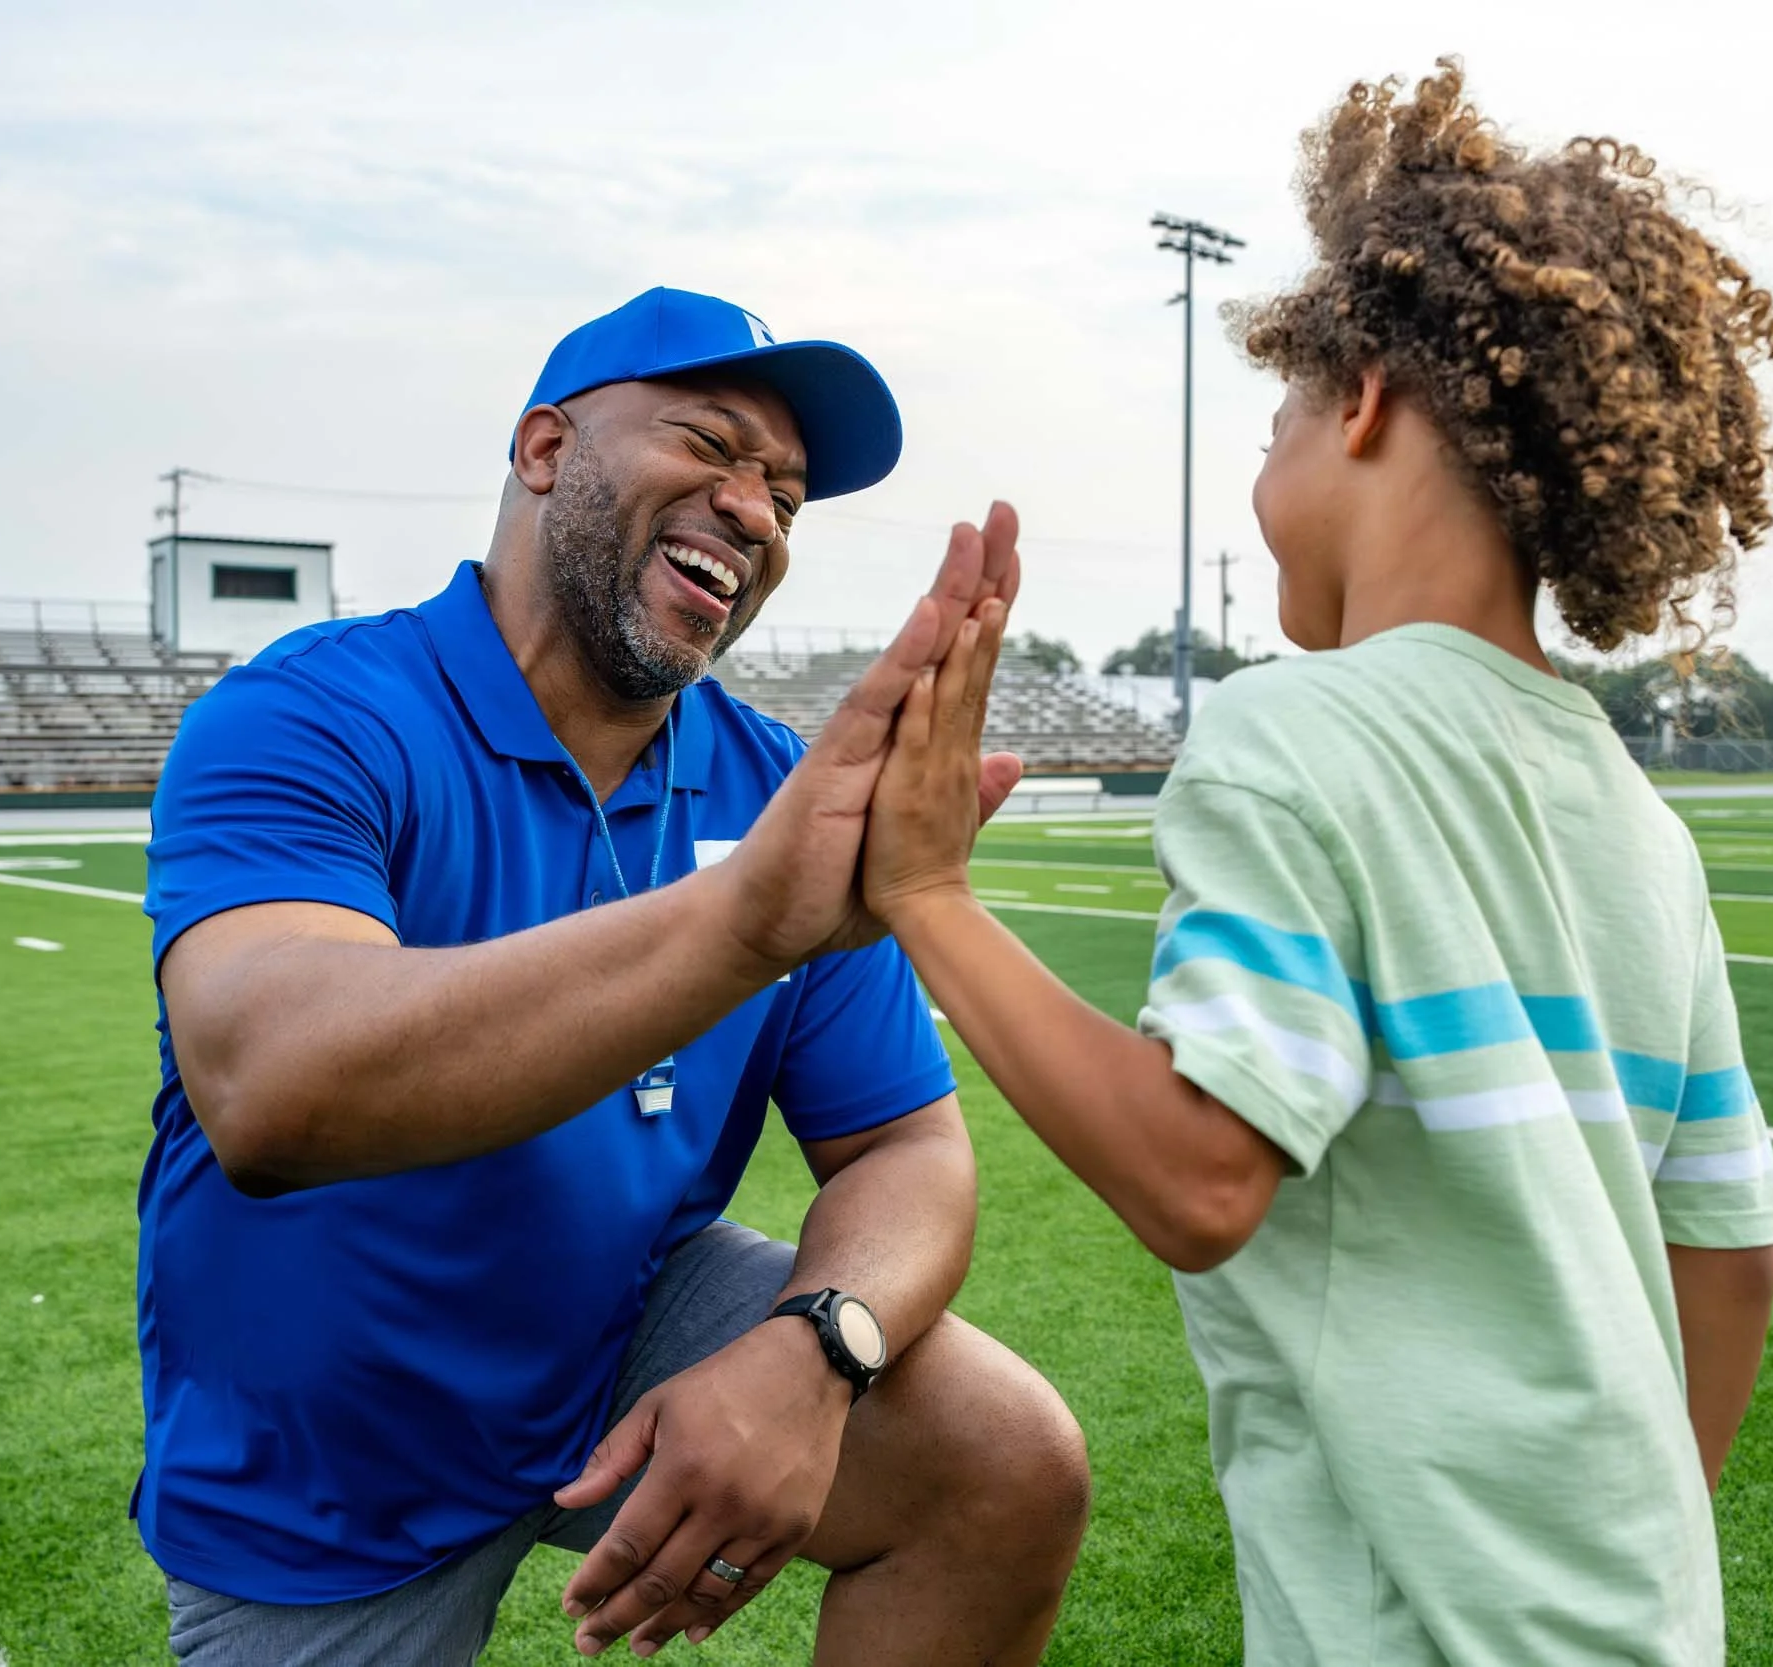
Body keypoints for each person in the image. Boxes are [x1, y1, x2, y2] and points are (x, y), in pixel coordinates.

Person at [856, 62, 1773, 1666]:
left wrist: (931, 897)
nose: (1261, 471)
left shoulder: (1294, 731)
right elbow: (1730, 1259)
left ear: (1359, 393)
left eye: (1275, 419)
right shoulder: (1643, 822)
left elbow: (1204, 1175)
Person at [137, 286, 1087, 1665]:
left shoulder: (768, 781)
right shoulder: (310, 712)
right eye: (708, 444)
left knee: (1005, 1464)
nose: (754, 508)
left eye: (786, 491)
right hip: (332, 1442)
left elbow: (907, 1146)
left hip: (613, 1324)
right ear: (543, 452)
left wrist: (817, 1348)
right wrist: (741, 922)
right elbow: (274, 1087)